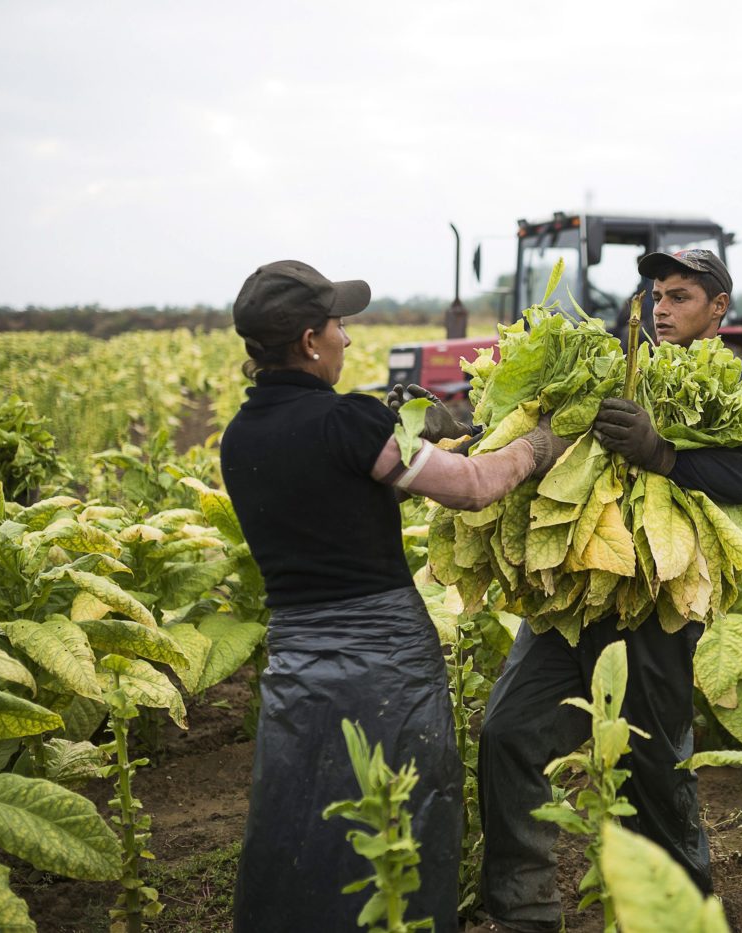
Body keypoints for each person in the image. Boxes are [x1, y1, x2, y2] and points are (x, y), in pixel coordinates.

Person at [220, 260, 567, 933]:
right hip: (383, 659)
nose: (348, 339)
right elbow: (469, 485)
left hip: (296, 661)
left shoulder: (241, 436)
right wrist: (535, 446)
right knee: (402, 808)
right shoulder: (346, 422)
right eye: (339, 325)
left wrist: (407, 426)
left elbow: (337, 478)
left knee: (304, 809)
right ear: (309, 341)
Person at [478, 248, 742, 932]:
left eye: (681, 296)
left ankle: (681, 914)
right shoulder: (614, 367)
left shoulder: (739, 386)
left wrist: (664, 455)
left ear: (718, 307)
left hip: (653, 608)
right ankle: (524, 909)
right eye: (657, 294)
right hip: (573, 599)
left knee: (654, 766)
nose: (663, 307)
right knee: (507, 732)